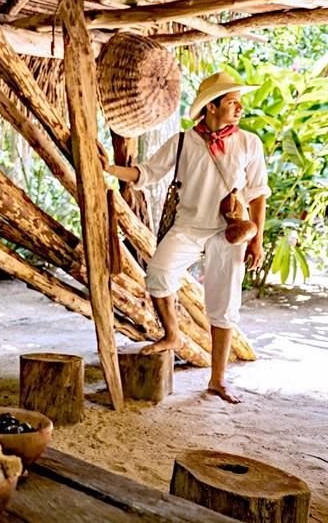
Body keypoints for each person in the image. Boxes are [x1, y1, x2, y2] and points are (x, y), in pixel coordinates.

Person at [104, 72, 269, 404]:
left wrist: (257, 240)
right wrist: (107, 168)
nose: (240, 109)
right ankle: (172, 334)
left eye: (240, 103)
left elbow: (258, 194)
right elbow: (146, 174)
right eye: (232, 102)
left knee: (224, 305)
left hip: (229, 233)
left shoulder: (249, 143)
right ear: (211, 107)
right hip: (188, 227)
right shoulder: (182, 142)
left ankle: (218, 380)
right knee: (159, 273)